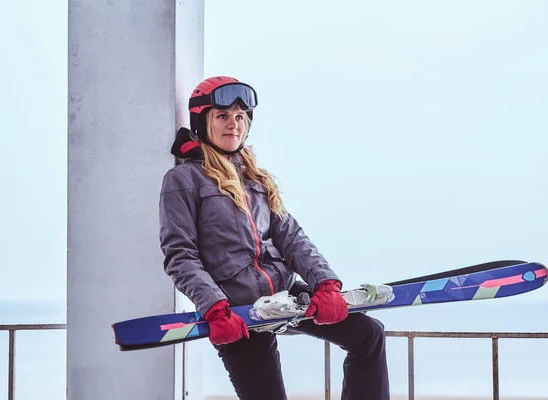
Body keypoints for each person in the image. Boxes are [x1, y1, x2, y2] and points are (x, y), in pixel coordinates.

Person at [159, 76, 390, 400]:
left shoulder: (255, 179)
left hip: (284, 297)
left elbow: (292, 238)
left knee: (368, 334)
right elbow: (180, 255)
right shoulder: (184, 180)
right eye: (222, 116)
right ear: (203, 122)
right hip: (237, 312)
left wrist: (325, 285)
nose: (233, 125)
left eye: (240, 117)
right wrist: (214, 307)